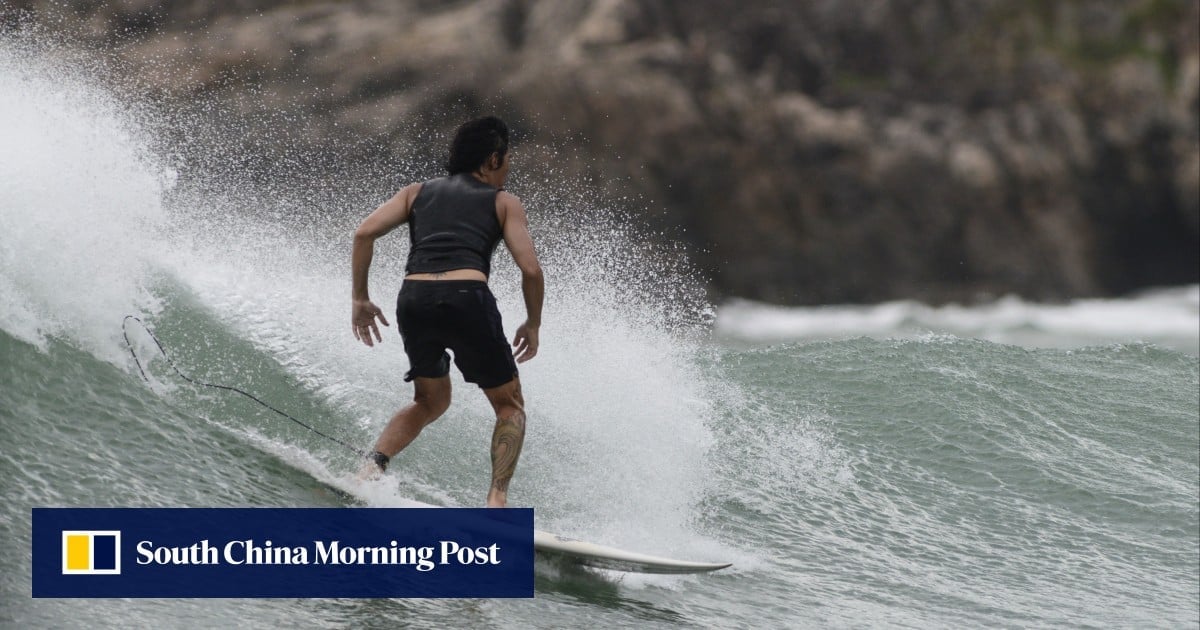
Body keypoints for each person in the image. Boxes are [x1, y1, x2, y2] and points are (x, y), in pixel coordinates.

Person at [350, 116, 544, 508]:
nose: (507, 169)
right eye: (506, 160)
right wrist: (533, 322)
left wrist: (360, 298)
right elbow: (531, 269)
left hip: (414, 297)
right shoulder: (503, 201)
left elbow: (363, 233)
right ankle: (496, 500)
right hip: (466, 296)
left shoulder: (415, 193)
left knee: (429, 401)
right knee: (509, 405)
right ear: (492, 160)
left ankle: (369, 469)